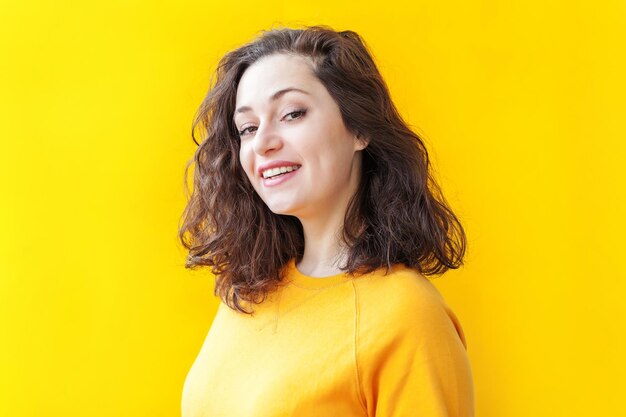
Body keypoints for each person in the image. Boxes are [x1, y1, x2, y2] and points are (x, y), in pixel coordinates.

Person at [178, 25, 474, 417]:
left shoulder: (408, 315)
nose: (263, 141)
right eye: (247, 127)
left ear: (360, 128)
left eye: (292, 113)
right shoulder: (249, 293)